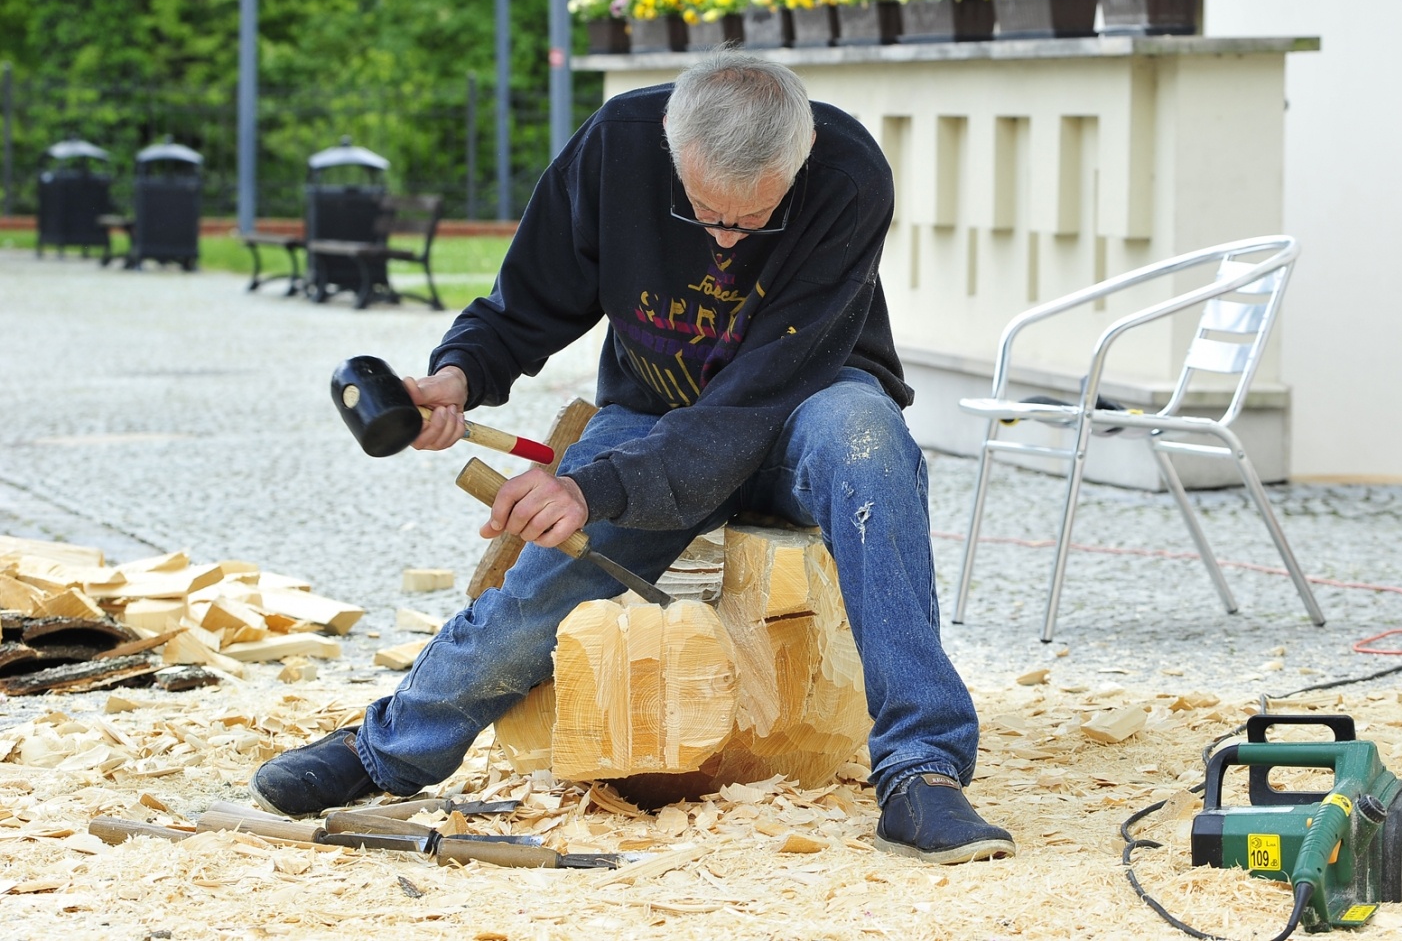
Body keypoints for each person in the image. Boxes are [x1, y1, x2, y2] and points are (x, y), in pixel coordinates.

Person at [250, 49, 1014, 865]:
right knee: (541, 587)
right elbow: (527, 301)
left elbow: (757, 393)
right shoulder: (618, 142)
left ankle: (921, 771)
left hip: (802, 401)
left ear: (798, 162)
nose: (725, 242)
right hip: (656, 408)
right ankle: (390, 750)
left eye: (752, 222)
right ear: (670, 150)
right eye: (705, 214)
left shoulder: (849, 173)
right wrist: (457, 377)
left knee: (872, 450)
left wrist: (596, 484)